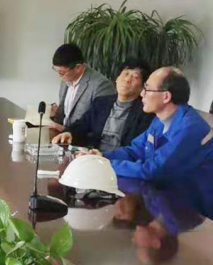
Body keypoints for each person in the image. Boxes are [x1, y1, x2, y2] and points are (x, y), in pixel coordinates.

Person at [84, 67, 213, 182]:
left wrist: (105, 164)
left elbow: (154, 170)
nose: (142, 94)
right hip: (158, 191)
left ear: (166, 97)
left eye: (147, 89)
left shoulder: (190, 128)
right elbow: (135, 150)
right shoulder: (160, 120)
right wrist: (102, 157)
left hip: (187, 198)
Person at [52, 58, 154, 151]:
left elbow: (137, 148)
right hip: (95, 156)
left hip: (121, 160)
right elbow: (82, 124)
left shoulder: (145, 111)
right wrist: (69, 133)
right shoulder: (102, 103)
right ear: (117, 79)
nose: (127, 79)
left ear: (142, 87)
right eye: (125, 74)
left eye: (135, 77)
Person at [49, 43, 115, 131]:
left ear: (78, 67)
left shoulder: (102, 86)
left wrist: (66, 130)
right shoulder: (66, 79)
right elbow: (64, 116)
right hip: (62, 135)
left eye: (61, 72)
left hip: (81, 138)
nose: (59, 76)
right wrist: (53, 114)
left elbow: (97, 125)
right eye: (56, 70)